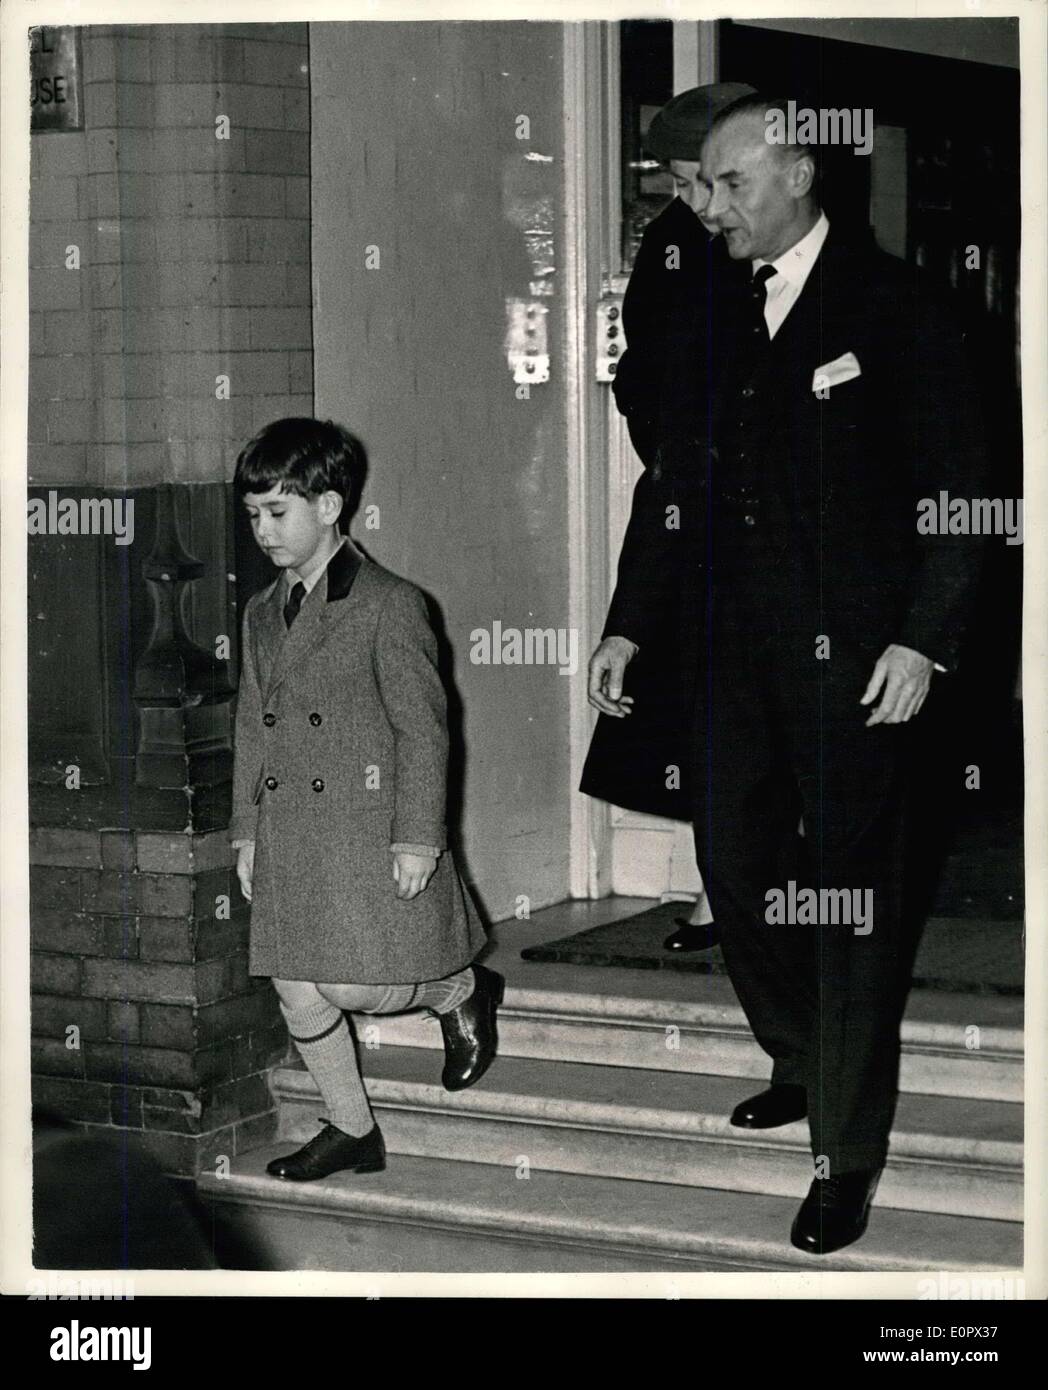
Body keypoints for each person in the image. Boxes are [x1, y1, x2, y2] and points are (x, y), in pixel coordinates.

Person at [590, 91, 986, 1254]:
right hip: (727, 653)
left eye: (727, 185)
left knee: (855, 902)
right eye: (702, 190)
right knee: (733, 858)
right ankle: (803, 1053)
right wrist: (629, 623)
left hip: (863, 666)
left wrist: (926, 638)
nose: (707, 210)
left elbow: (959, 492)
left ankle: (843, 1155)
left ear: (798, 171)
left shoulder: (902, 308)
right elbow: (672, 485)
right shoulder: (711, 309)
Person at [231, 417, 501, 1183]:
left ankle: (461, 987)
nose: (263, 531)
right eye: (252, 515)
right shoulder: (259, 612)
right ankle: (352, 1128)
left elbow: (426, 729)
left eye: (277, 512)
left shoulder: (389, 604)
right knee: (293, 980)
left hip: (365, 826)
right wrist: (245, 828)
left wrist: (420, 835)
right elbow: (251, 723)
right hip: (290, 829)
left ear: (330, 505)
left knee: (353, 984)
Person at [581, 82, 754, 954]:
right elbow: (647, 376)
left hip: (773, 531)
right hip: (698, 512)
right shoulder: (675, 246)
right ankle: (721, 894)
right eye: (687, 182)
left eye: (709, 181)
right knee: (708, 716)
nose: (699, 203)